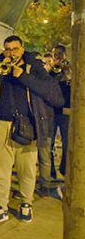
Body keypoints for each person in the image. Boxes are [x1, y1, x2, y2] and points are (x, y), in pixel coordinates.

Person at [0, 36, 63, 224]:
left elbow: (53, 94)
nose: (11, 53)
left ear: (22, 49)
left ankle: (26, 203)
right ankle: (1, 206)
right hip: (1, 123)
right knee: (0, 170)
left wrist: (24, 76)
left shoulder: (33, 67)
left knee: (26, 169)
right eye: (7, 49)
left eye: (15, 49)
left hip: (28, 125)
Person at [50, 44, 70, 179]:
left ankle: (64, 168)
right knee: (49, 143)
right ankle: (50, 169)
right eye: (55, 54)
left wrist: (67, 75)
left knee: (67, 142)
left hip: (66, 112)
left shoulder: (70, 71)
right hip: (51, 111)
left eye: (59, 54)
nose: (57, 56)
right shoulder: (51, 71)